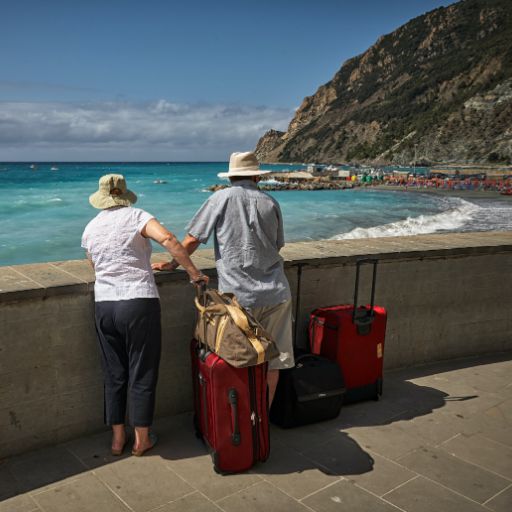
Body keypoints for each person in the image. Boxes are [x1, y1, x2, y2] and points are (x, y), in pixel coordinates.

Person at [153, 152, 294, 405]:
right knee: (274, 362)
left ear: (231, 176)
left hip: (238, 297)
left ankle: (241, 425)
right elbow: (277, 246)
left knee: (239, 360)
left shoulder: (220, 198)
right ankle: (262, 422)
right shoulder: (270, 202)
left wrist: (174, 263)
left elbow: (193, 238)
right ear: (256, 176)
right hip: (276, 293)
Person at [82, 174, 208, 457]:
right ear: (125, 195)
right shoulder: (137, 216)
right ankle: (141, 439)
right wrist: (194, 273)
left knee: (114, 374)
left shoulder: (90, 228)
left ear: (101, 198)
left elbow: (95, 265)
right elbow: (168, 238)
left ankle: (116, 439)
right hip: (138, 302)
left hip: (105, 305)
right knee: (142, 370)